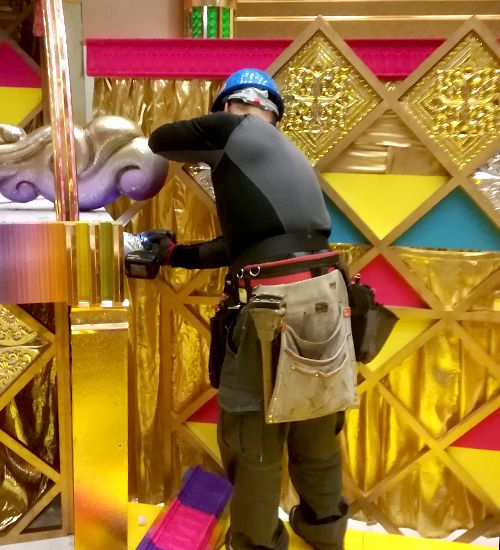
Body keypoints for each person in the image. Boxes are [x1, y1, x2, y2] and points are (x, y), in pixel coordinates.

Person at [146, 69, 350, 550]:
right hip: (326, 299)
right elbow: (245, 244)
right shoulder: (290, 155)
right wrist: (175, 254)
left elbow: (160, 140)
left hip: (269, 310)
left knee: (252, 439)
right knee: (315, 428)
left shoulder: (231, 128)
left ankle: (257, 544)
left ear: (228, 105)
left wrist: (213, 129)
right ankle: (322, 532)